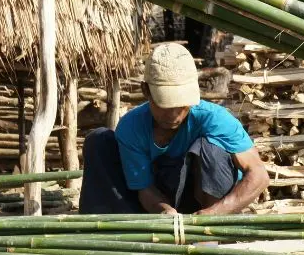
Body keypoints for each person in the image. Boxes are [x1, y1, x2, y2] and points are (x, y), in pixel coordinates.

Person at [79, 43, 269, 215]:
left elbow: (259, 175)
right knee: (99, 140)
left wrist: (215, 212)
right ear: (146, 91)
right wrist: (163, 210)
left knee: (211, 148)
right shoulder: (132, 127)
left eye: (182, 105)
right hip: (155, 206)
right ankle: (117, 235)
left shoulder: (214, 119)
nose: (174, 115)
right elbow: (144, 189)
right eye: (165, 105)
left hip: (207, 205)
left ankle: (210, 239)